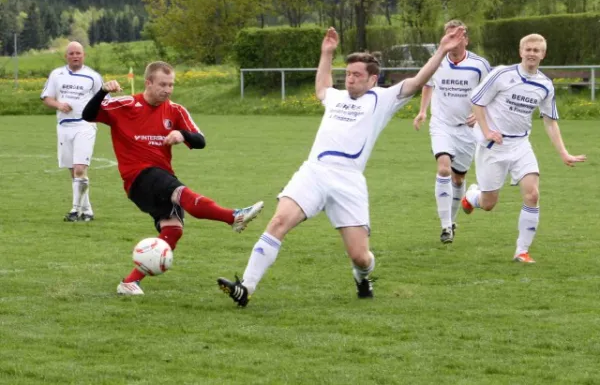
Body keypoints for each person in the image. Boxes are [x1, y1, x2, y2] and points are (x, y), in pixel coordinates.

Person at [217, 26, 467, 307]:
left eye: (357, 75)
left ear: (373, 79)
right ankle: (246, 288)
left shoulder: (383, 99)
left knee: (361, 257)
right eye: (347, 74)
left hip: (349, 181)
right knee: (278, 222)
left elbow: (419, 80)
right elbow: (322, 87)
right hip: (314, 171)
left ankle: (362, 278)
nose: (349, 80)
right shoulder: (336, 97)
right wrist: (326, 53)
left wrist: (443, 50)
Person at [81, 61, 264, 295]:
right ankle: (233, 217)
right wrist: (103, 91)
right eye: (162, 84)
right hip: (138, 178)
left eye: (171, 85)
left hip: (161, 176)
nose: (168, 90)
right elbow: (88, 115)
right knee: (180, 192)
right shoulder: (125, 104)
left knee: (173, 230)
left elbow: (200, 141)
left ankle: (129, 282)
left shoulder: (175, 110)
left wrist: (181, 134)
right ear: (148, 83)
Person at [461, 33, 586, 263]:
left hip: (520, 145)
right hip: (493, 146)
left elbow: (550, 121)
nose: (531, 53)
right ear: (520, 52)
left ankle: (521, 251)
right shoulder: (501, 74)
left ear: (543, 55)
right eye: (528, 49)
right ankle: (472, 195)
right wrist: (487, 130)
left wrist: (564, 153)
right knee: (489, 204)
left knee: (533, 194)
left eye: (536, 50)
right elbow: (477, 101)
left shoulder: (545, 85)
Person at [412, 20, 492, 244]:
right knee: (444, 168)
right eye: (450, 36)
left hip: (467, 129)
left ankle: (452, 221)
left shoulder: (480, 65)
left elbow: (492, 92)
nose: (454, 40)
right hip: (441, 124)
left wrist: (480, 114)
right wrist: (422, 111)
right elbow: (427, 84)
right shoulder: (436, 62)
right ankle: (445, 226)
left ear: (466, 39)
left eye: (459, 36)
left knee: (458, 178)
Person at [41, 41, 103, 221]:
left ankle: (75, 211)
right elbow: (46, 98)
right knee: (74, 172)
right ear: (66, 56)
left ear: (84, 55)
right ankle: (88, 211)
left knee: (79, 169)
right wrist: (59, 104)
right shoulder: (57, 75)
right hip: (64, 127)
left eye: (78, 53)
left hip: (85, 125)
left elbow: (104, 99)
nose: (75, 56)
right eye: (71, 53)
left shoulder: (93, 76)